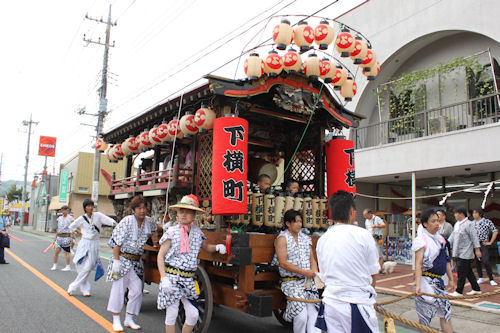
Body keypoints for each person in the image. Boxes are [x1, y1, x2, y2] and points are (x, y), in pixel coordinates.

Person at [157, 194, 226, 333]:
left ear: (194, 215)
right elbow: (161, 255)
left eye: (188, 211)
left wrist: (218, 247)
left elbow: (206, 247)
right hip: (172, 278)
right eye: (181, 211)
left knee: (193, 315)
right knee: (172, 314)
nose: (184, 214)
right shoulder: (171, 232)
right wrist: (163, 278)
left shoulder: (197, 233)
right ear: (177, 214)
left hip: (189, 279)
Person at [316, 191, 380, 333]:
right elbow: (374, 273)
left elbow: (324, 274)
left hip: (331, 301)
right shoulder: (364, 235)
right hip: (356, 302)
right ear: (352, 212)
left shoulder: (323, 239)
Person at [106, 195, 157, 331]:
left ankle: (129, 318)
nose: (142, 210)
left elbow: (156, 230)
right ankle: (116, 319)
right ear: (133, 210)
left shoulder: (149, 222)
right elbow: (117, 242)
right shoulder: (126, 221)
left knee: (136, 291)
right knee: (118, 290)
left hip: (136, 262)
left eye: (144, 207)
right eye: (139, 208)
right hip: (122, 259)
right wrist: (116, 261)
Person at [274, 209, 320, 333]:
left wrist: (314, 273)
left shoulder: (305, 238)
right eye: (296, 221)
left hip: (308, 282)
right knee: (301, 316)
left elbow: (312, 259)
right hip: (291, 282)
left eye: (300, 221)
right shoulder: (282, 239)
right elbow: (282, 263)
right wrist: (304, 272)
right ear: (288, 223)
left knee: (314, 315)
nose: (299, 224)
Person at [412, 209, 454, 333]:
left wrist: (451, 279)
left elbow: (446, 261)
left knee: (446, 314)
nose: (437, 224)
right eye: (433, 221)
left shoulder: (442, 239)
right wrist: (418, 285)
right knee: (425, 317)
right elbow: (418, 264)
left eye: (438, 221)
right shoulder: (421, 240)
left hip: (439, 282)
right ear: (425, 224)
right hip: (425, 282)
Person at [67, 199, 117, 296]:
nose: (90, 208)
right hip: (84, 243)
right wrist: (80, 233)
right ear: (85, 208)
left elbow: (109, 220)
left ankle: (72, 286)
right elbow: (71, 227)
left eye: (91, 206)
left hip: (95, 243)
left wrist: (116, 224)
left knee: (89, 266)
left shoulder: (98, 215)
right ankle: (85, 289)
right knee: (81, 267)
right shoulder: (81, 218)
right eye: (88, 206)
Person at [448, 207, 482, 296]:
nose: (455, 215)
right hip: (457, 252)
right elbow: (452, 236)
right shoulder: (457, 224)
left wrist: (477, 250)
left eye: (456, 213)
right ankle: (476, 289)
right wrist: (446, 243)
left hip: (466, 252)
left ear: (461, 214)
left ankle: (459, 291)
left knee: (461, 272)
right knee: (468, 271)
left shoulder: (469, 224)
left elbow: (474, 237)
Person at [472, 208, 498, 286]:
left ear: (479, 213)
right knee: (477, 261)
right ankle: (480, 277)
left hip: (483, 243)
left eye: (475, 213)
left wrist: (490, 242)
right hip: (474, 243)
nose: (474, 215)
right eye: (473, 213)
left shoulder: (487, 221)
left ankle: (491, 278)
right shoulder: (472, 223)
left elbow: (495, 231)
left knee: (486, 260)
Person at [51, 205, 74, 271]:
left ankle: (68, 266)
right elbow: (58, 228)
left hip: (66, 236)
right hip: (59, 236)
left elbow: (72, 228)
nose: (63, 211)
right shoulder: (59, 218)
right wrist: (55, 237)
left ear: (67, 210)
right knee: (56, 252)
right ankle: (54, 265)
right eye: (62, 210)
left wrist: (72, 237)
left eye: (65, 210)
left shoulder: (70, 218)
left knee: (66, 252)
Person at [363, 208, 385, 274]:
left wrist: (376, 226)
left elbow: (384, 225)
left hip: (377, 237)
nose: (365, 217)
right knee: (371, 253)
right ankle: (374, 268)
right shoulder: (366, 221)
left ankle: (381, 270)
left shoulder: (377, 218)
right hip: (370, 238)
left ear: (370, 214)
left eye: (366, 215)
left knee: (379, 253)